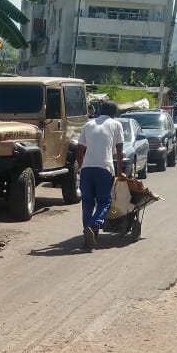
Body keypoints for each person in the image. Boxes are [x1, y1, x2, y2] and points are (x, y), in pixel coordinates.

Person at [75, 100, 124, 252]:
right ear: (114, 114)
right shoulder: (116, 125)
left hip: (87, 169)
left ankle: (87, 239)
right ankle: (93, 225)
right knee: (105, 202)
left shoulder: (88, 124)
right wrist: (119, 172)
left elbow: (79, 150)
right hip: (104, 168)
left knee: (87, 203)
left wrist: (82, 167)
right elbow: (120, 151)